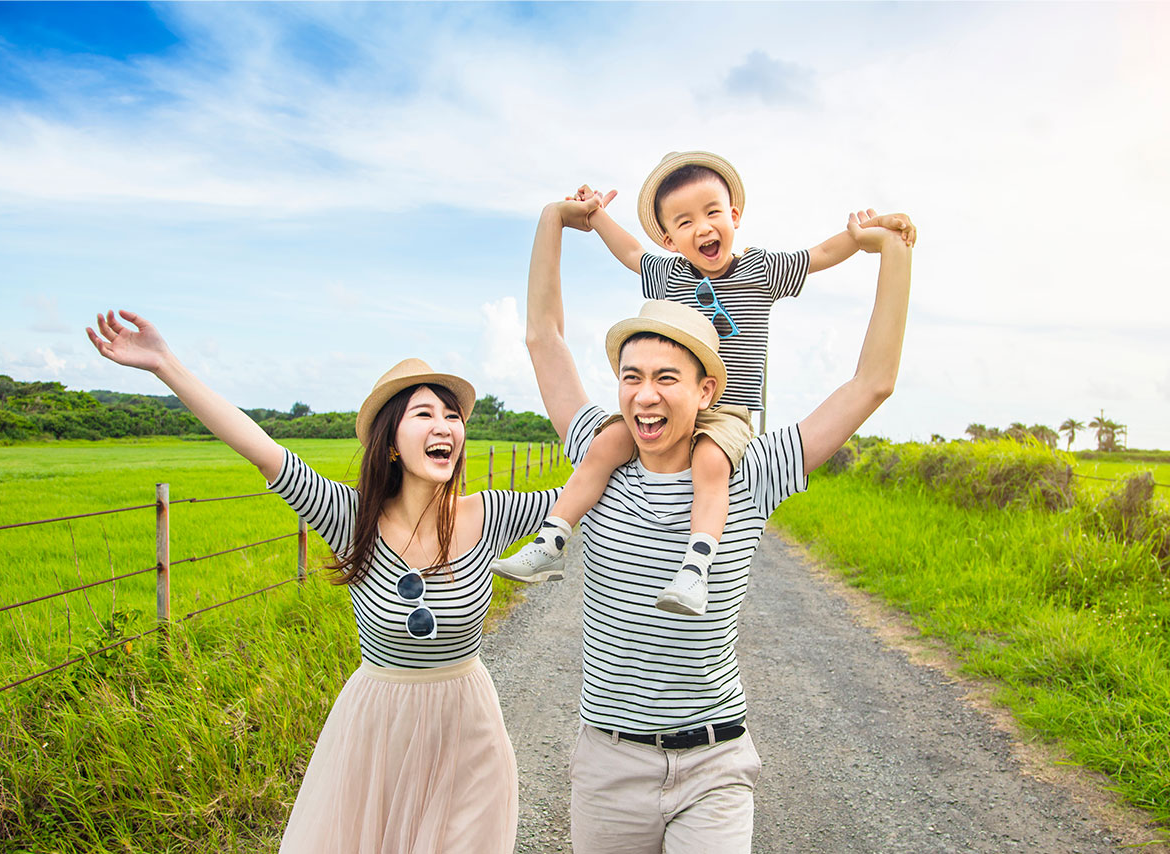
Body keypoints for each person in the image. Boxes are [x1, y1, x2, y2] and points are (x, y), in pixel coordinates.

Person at [85, 311, 559, 854]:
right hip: (379, 729)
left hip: (468, 729)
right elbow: (261, 448)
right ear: (390, 442)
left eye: (452, 416)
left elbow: (591, 498)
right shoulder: (349, 516)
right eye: (423, 413)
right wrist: (165, 364)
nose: (444, 426)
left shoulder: (491, 514)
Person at [522, 197, 914, 853]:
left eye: (667, 378)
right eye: (631, 377)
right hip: (608, 762)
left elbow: (871, 383)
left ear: (705, 391)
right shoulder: (599, 451)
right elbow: (543, 338)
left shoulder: (750, 471)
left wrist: (893, 253)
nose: (645, 395)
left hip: (716, 762)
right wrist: (552, 221)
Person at [493, 151, 914, 617]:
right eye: (685, 222)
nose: (703, 228)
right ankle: (552, 539)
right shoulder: (669, 274)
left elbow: (822, 259)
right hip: (602, 692)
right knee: (608, 439)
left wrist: (870, 242)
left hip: (729, 417)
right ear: (670, 239)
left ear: (735, 214)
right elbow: (625, 257)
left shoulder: (762, 271)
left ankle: (695, 569)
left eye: (713, 212)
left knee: (712, 459)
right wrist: (582, 216)